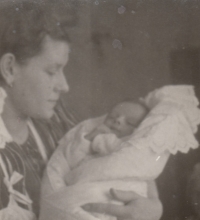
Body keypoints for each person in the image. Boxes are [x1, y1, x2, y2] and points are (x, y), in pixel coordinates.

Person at [0, 1, 164, 220]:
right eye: (52, 71)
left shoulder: (56, 118)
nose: (64, 86)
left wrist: (152, 204)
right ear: (9, 69)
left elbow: (124, 155)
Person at [40, 85, 200, 220]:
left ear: (139, 132)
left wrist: (98, 141)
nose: (118, 121)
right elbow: (70, 160)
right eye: (113, 116)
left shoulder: (127, 146)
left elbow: (134, 168)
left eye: (130, 122)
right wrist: (89, 138)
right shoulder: (91, 136)